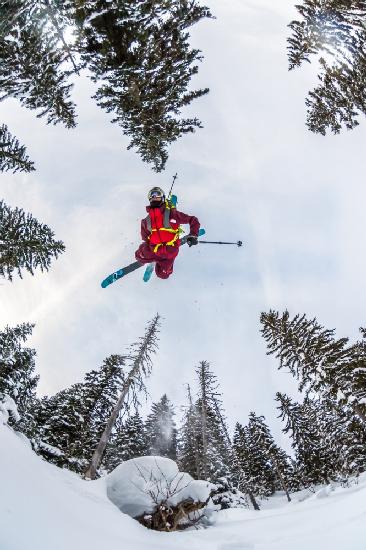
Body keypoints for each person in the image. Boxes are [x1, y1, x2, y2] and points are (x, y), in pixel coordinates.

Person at [135, 187, 200, 279]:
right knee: (139, 255)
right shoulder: (146, 221)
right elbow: (145, 238)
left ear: (162, 197)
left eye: (157, 195)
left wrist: (193, 234)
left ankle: (159, 265)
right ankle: (152, 260)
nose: (154, 197)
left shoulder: (172, 214)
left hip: (169, 251)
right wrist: (146, 250)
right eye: (152, 195)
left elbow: (193, 220)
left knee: (163, 275)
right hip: (154, 250)